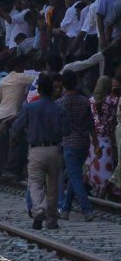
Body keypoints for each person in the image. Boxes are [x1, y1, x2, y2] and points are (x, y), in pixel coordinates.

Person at [12, 72, 69, 230]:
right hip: (55, 149)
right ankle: (52, 221)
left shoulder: (29, 107)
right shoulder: (59, 107)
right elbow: (67, 130)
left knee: (36, 183)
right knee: (53, 186)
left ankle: (38, 209)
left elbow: (17, 127)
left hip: (36, 150)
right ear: (52, 90)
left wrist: (18, 136)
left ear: (38, 90)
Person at [56, 70, 97, 222]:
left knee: (75, 177)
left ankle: (87, 209)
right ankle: (65, 209)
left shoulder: (60, 103)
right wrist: (96, 144)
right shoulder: (85, 101)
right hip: (84, 142)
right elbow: (91, 124)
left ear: (63, 84)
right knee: (75, 176)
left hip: (68, 143)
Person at [85, 76, 118, 200]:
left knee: (93, 166)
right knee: (106, 168)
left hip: (92, 139)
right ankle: (103, 191)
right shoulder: (112, 101)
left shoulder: (91, 100)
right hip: (106, 139)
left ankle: (96, 189)